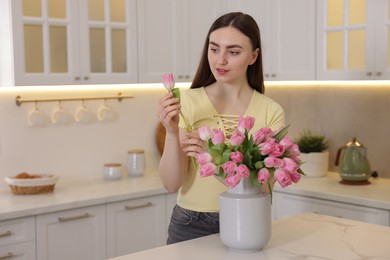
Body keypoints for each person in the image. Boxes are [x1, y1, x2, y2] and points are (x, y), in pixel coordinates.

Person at [157, 12, 285, 244]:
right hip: (189, 224)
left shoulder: (270, 111)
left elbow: (264, 188)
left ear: (253, 56)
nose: (220, 60)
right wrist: (172, 131)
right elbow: (171, 184)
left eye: (233, 52)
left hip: (247, 221)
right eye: (214, 49)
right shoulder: (187, 102)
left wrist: (213, 159)